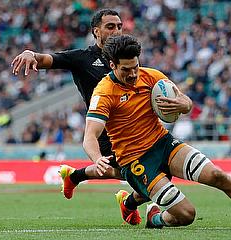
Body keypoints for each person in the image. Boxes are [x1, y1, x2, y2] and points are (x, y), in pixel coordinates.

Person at [83, 34, 231, 229]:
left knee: (218, 176)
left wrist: (182, 105)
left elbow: (185, 101)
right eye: (126, 70)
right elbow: (90, 136)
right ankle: (155, 218)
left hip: (163, 144)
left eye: (136, 67)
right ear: (112, 65)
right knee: (187, 215)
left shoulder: (150, 76)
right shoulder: (103, 93)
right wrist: (97, 158)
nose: (133, 74)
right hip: (136, 162)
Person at [11, 9, 143, 225]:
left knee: (136, 172)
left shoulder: (128, 56)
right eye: (110, 27)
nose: (117, 31)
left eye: (119, 26)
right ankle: (137, 206)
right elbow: (47, 59)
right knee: (145, 174)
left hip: (134, 126)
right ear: (96, 31)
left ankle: (75, 177)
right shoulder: (82, 58)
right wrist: (30, 53)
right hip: (105, 130)